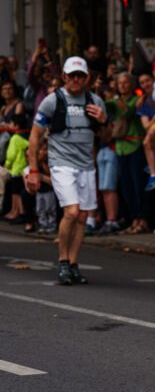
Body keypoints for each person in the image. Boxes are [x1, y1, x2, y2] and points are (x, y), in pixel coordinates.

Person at [25, 56, 109, 285]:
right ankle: (62, 261)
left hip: (86, 166)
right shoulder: (52, 101)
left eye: (80, 76)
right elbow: (34, 137)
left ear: (87, 78)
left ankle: (73, 264)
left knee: (82, 216)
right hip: (61, 163)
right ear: (63, 76)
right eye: (71, 75)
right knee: (71, 212)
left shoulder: (95, 101)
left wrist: (103, 121)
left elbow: (107, 137)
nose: (75, 80)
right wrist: (33, 169)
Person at [107, 73, 148, 234]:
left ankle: (143, 219)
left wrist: (131, 105)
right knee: (126, 186)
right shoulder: (115, 101)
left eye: (126, 83)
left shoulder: (137, 99)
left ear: (131, 84)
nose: (123, 85)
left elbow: (128, 113)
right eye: (120, 83)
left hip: (135, 145)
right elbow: (103, 106)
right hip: (120, 148)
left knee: (138, 185)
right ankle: (134, 219)